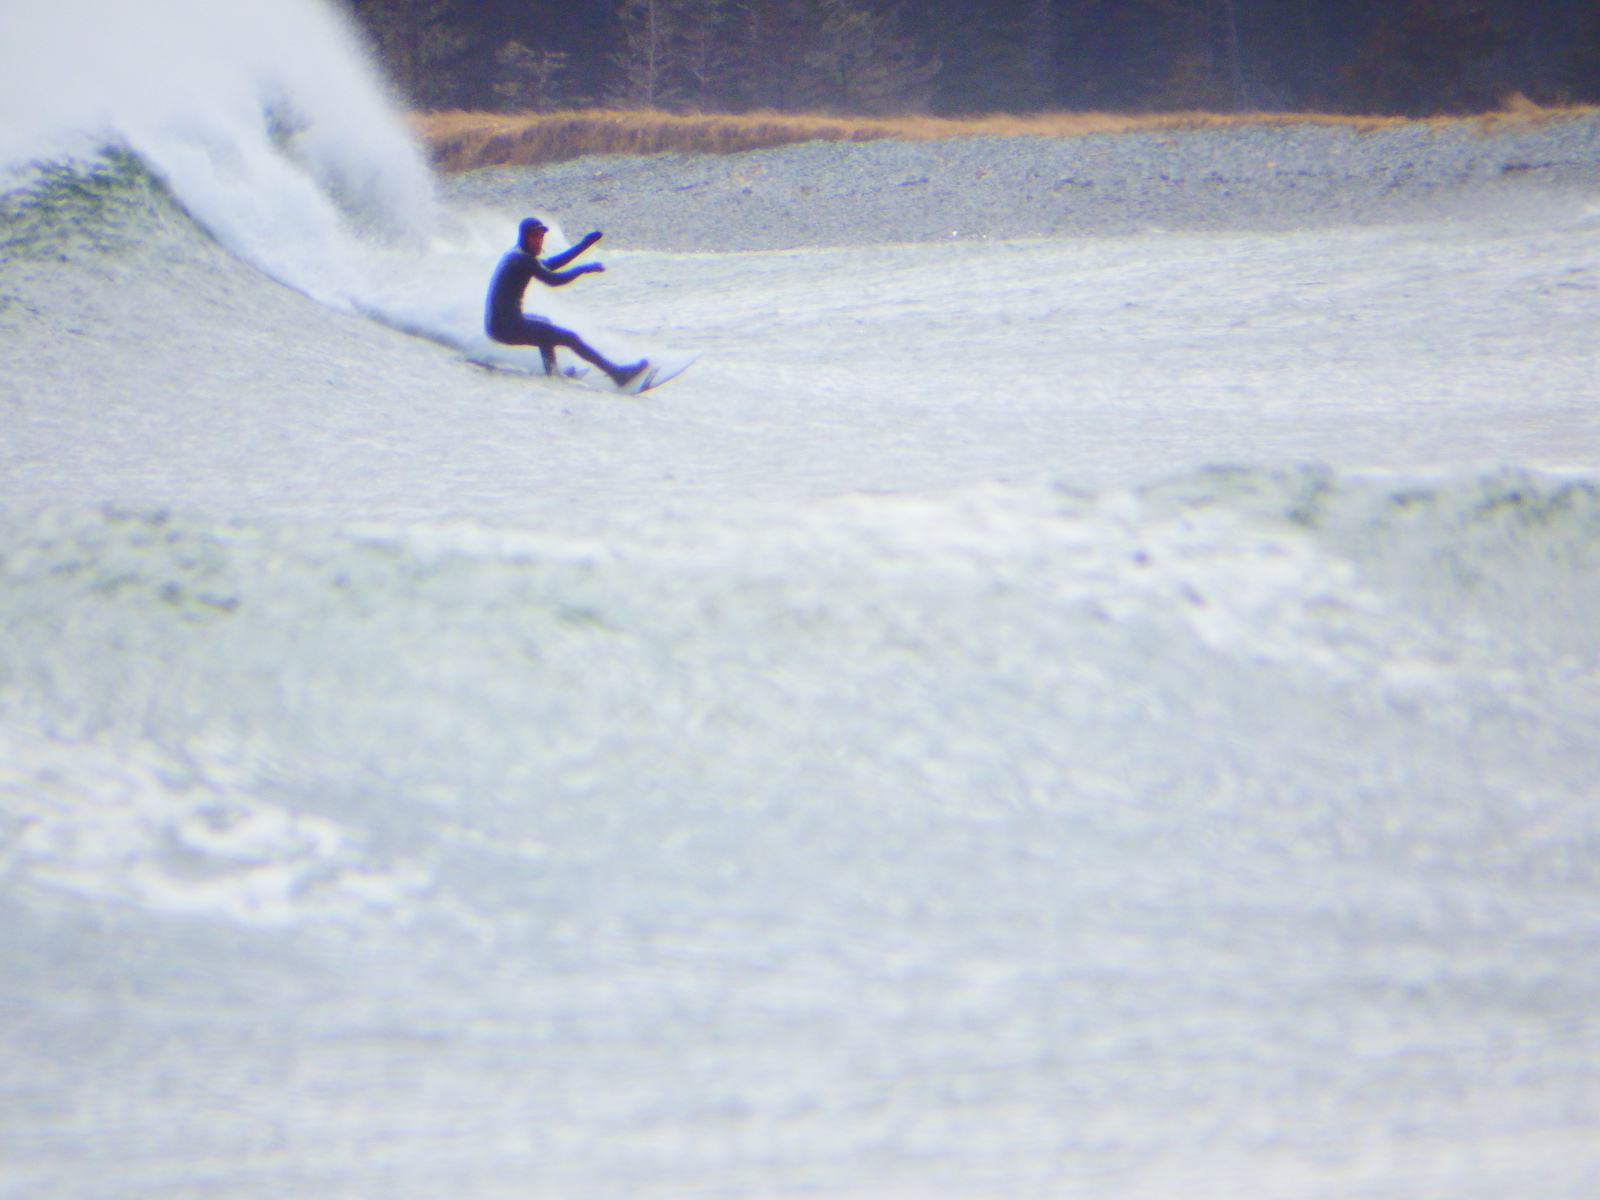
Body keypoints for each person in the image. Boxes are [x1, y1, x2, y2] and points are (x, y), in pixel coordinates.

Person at [485, 218, 648, 388]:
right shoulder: (522, 260)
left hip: (499, 326)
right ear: (524, 237)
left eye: (541, 237)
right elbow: (554, 279)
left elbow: (549, 266)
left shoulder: (519, 255)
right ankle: (619, 375)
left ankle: (553, 373)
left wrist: (583, 246)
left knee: (544, 325)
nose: (538, 242)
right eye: (534, 237)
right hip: (505, 328)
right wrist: (583, 269)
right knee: (570, 338)